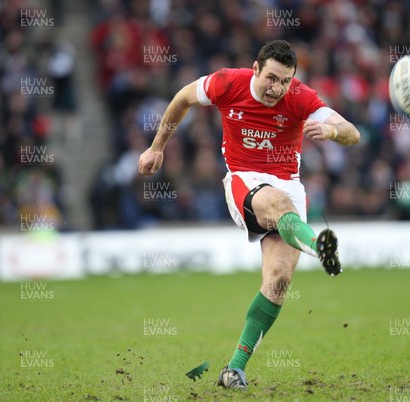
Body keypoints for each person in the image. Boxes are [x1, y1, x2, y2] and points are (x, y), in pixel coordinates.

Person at [138, 40, 360, 390]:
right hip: (245, 180)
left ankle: (234, 369)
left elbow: (353, 132)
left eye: (285, 81)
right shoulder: (228, 83)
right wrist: (156, 147)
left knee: (278, 280)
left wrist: (331, 131)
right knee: (278, 206)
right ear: (255, 69)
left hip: (289, 184)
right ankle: (319, 246)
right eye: (271, 78)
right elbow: (183, 98)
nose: (277, 88)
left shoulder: (300, 96)